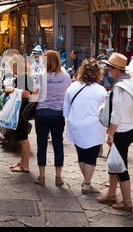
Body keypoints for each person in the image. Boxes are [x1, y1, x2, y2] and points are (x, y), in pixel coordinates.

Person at [96, 53, 133, 211]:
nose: (107, 70)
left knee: (121, 167)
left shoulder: (120, 87)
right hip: (129, 128)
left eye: (110, 67)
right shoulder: (130, 83)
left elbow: (116, 115)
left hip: (121, 131)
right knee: (113, 162)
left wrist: (110, 134)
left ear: (116, 69)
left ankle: (127, 202)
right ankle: (111, 194)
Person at [63, 57, 107, 194]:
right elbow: (105, 112)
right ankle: (87, 184)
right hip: (93, 127)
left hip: (75, 125)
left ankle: (86, 181)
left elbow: (66, 109)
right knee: (91, 156)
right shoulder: (101, 90)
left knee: (81, 155)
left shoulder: (72, 87)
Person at [32, 50, 72, 186]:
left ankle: (42, 177)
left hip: (42, 113)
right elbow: (68, 95)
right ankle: (58, 177)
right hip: (58, 114)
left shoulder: (41, 77)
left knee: (41, 144)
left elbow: (34, 97)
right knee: (58, 144)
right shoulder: (66, 77)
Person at [7, 54, 34, 173]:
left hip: (22, 111)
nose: (11, 70)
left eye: (12, 67)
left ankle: (25, 165)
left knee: (23, 138)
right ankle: (22, 162)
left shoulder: (24, 78)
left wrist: (12, 90)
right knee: (22, 137)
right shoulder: (24, 77)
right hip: (21, 110)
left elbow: (27, 94)